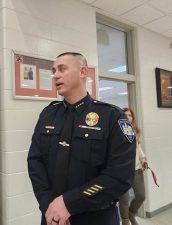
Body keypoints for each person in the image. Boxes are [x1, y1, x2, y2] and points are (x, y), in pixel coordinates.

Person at [27, 52, 136, 225]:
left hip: (96, 217)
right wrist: (49, 205)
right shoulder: (48, 115)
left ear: (83, 72)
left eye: (62, 69)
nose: (55, 75)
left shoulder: (112, 117)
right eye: (54, 70)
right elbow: (35, 162)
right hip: (52, 217)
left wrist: (69, 203)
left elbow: (119, 176)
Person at [119, 108, 147, 225]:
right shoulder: (116, 131)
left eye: (130, 115)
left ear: (133, 118)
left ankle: (131, 214)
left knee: (141, 196)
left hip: (136, 169)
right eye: (125, 115)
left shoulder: (134, 132)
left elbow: (138, 148)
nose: (128, 117)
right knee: (124, 198)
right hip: (122, 170)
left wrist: (143, 159)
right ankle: (125, 220)